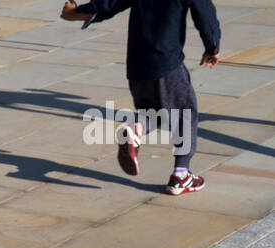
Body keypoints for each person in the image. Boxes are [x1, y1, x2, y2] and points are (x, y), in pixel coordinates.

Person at [61, 0, 221, 194]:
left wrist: (79, 11)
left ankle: (135, 129)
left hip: (137, 65)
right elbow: (204, 13)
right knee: (185, 113)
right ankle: (181, 175)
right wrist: (212, 46)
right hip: (166, 62)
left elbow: (110, 3)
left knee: (155, 114)